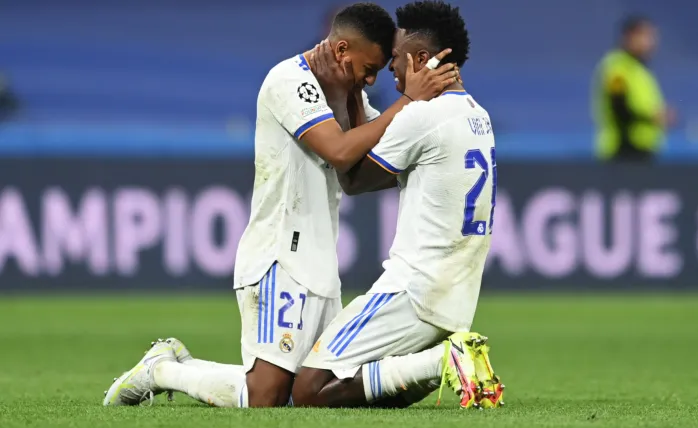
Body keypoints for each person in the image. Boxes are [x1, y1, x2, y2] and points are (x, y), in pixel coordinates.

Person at [102, 2, 459, 409]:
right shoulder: (290, 81)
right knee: (267, 397)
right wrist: (407, 102)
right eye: (368, 68)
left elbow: (366, 158)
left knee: (312, 394)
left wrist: (380, 101)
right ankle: (161, 370)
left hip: (322, 266)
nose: (374, 78)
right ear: (342, 50)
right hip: (279, 257)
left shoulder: (343, 92)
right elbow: (342, 152)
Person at [290, 1, 503, 409]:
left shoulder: (422, 116)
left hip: (411, 290)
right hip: (456, 302)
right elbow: (389, 170)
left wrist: (347, 90)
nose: (389, 66)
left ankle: (441, 362)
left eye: (399, 56)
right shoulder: (478, 116)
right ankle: (441, 359)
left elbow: (352, 178)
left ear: (422, 59)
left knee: (307, 390)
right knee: (370, 385)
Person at [592, 16, 675, 163]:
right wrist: (653, 118)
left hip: (642, 151)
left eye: (652, 37)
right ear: (630, 36)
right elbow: (619, 108)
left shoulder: (640, 69)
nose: (651, 42)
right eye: (646, 36)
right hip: (622, 151)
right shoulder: (617, 67)